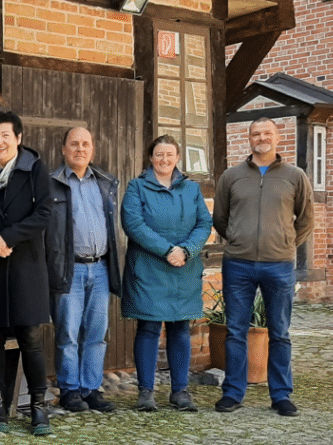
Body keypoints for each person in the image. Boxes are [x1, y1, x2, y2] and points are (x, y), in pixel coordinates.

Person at [212, 117, 314, 416]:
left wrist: (284, 243)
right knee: (235, 331)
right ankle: (232, 392)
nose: (261, 138)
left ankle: (281, 395)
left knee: (279, 332)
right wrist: (241, 241)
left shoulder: (295, 176)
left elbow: (306, 219)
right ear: (249, 139)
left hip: (279, 265)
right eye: (256, 133)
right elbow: (221, 218)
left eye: (267, 133)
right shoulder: (231, 176)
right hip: (238, 265)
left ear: (277, 137)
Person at [0, 112, 53, 436]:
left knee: (30, 338)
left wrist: (9, 237)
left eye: (5, 135)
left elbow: (44, 213)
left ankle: (38, 406)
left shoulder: (34, 167)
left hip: (26, 264)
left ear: (18, 138)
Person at [120, 135, 212, 412]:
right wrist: (167, 250)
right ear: (151, 157)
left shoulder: (192, 189)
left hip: (184, 267)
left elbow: (204, 223)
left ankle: (180, 392)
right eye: (159, 154)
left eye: (169, 154)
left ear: (177, 157)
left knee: (180, 328)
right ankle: (145, 392)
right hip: (149, 268)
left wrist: (186, 250)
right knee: (148, 328)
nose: (164, 159)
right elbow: (133, 224)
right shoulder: (137, 187)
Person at [47, 127, 120, 414]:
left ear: (92, 149)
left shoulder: (103, 183)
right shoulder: (52, 184)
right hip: (70, 268)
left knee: (97, 333)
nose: (80, 149)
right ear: (64, 149)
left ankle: (91, 388)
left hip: (100, 268)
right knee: (67, 333)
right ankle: (70, 390)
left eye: (85, 144)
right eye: (74, 144)